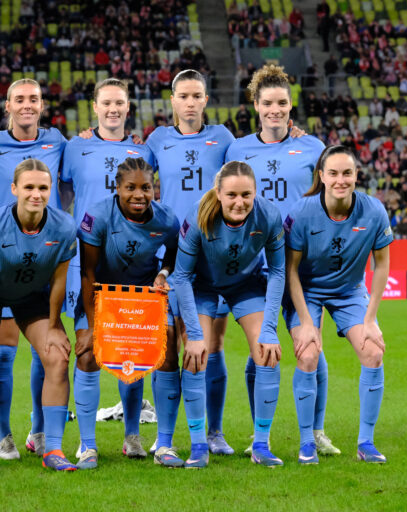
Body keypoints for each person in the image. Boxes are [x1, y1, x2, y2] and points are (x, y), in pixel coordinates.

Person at [225, 64, 340, 457]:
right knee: (261, 347)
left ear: (291, 106)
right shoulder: (237, 150)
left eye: (282, 103)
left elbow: (326, 200)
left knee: (311, 345)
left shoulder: (312, 147)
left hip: (300, 263)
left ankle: (317, 430)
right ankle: (262, 435)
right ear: (256, 106)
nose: (275, 110)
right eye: (268, 103)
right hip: (252, 262)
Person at [61, 79, 156, 460]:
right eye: (107, 103)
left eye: (119, 103)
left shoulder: (143, 150)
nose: (113, 109)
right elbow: (63, 193)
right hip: (87, 264)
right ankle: (85, 442)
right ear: (95, 107)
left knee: (130, 354)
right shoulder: (75, 146)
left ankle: (132, 437)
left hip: (132, 267)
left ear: (128, 107)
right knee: (85, 350)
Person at [145, 69, 237, 457]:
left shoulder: (224, 138)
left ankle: (213, 432)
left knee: (211, 345)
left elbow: (243, 177)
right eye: (183, 96)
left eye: (197, 95)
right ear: (172, 101)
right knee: (166, 347)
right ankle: (164, 435)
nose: (190, 102)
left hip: (213, 255)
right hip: (170, 253)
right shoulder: (157, 140)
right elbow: (133, 176)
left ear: (205, 100)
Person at [0, 158, 78, 471]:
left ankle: (53, 450)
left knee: (57, 356)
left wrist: (54, 326)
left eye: (43, 187)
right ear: (14, 189)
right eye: (29, 187)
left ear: (51, 190)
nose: (36, 194)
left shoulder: (64, 227)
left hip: (32, 296)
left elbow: (59, 281)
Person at [172, 161, 286, 467]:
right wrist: (195, 334)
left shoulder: (269, 216)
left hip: (246, 284)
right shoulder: (198, 216)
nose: (239, 202)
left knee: (267, 353)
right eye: (232, 195)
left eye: (246, 195)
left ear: (255, 193)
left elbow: (278, 271)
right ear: (218, 193)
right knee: (196, 355)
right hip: (202, 286)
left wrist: (270, 329)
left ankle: (261, 444)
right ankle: (199, 446)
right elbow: (180, 277)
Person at [284, 145, 392, 464]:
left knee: (373, 352)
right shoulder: (302, 212)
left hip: (349, 292)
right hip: (306, 291)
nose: (340, 180)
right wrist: (306, 323)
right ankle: (307, 442)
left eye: (347, 173)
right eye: (333, 173)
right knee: (308, 354)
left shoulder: (374, 211)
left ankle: (366, 443)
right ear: (322, 176)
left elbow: (382, 264)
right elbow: (290, 269)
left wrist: (371, 319)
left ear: (357, 175)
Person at [0, 79, 66, 459]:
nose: (27, 104)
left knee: (46, 352)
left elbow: (71, 178)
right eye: (19, 99)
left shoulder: (59, 142)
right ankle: (4, 435)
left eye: (34, 98)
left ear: (42, 104)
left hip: (42, 257)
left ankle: (39, 430)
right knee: (2, 353)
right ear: (8, 105)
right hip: (1, 258)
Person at [73, 157, 180, 469]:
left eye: (146, 187)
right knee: (88, 354)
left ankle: (157, 442)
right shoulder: (97, 216)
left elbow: (174, 256)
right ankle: (88, 445)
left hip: (143, 298)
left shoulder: (167, 220)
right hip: (102, 295)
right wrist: (93, 327)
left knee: (165, 351)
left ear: (154, 188)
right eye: (130, 187)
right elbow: (87, 272)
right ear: (117, 188)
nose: (139, 195)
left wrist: (163, 273)